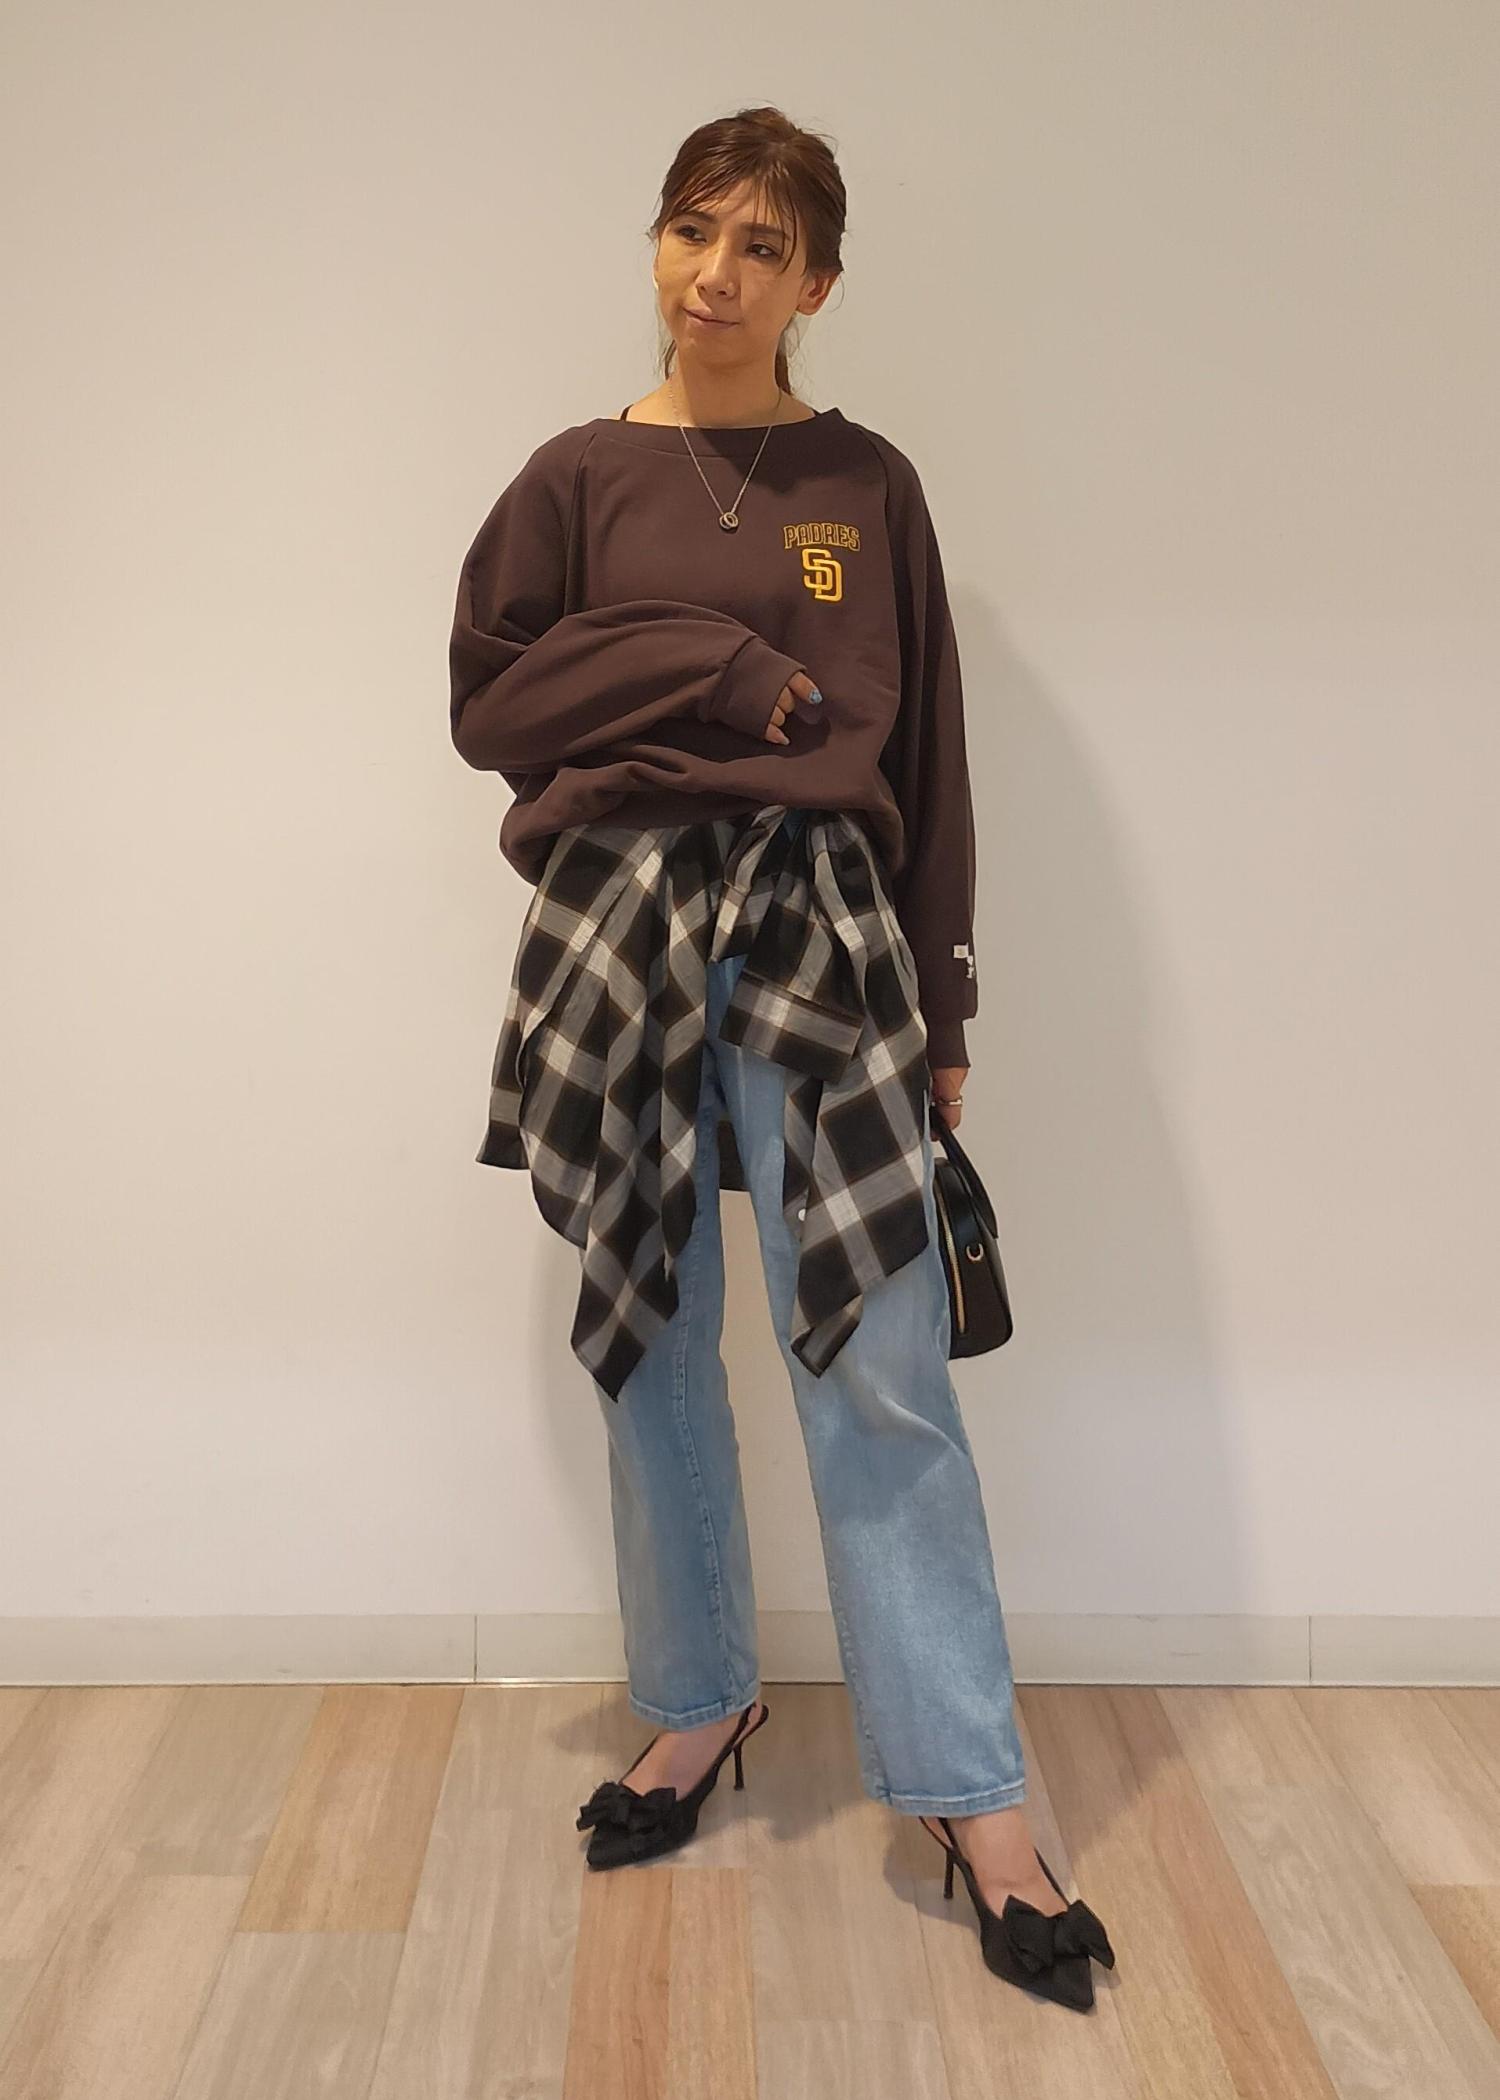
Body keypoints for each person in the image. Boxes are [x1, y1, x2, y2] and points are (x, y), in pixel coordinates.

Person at [447, 105, 1115, 2009]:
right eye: (692, 231)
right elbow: (495, 703)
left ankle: (974, 1793)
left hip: (827, 926)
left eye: (760, 247)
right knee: (651, 1327)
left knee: (882, 1363)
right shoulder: (574, 477)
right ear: (656, 245)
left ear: (816, 282)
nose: (717, 274)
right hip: (620, 922)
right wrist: (730, 673)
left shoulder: (864, 484)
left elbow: (925, 754)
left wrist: (948, 1007)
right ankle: (697, 1700)